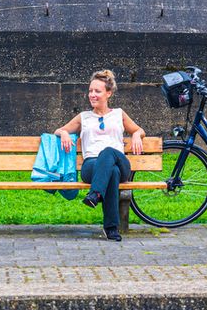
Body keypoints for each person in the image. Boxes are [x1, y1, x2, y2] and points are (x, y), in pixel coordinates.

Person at [54, 70, 145, 241]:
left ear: (108, 93)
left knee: (108, 152)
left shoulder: (119, 114)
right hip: (91, 166)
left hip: (119, 163)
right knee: (112, 173)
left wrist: (136, 135)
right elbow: (59, 130)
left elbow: (139, 130)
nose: (92, 95)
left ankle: (95, 194)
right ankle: (111, 228)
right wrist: (64, 133)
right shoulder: (84, 117)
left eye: (97, 91)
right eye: (90, 91)